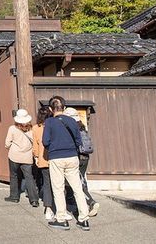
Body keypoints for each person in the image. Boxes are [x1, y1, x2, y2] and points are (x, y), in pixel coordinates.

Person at [43, 96, 90, 231]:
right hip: (72, 157)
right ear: (63, 107)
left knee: (58, 188)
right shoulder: (72, 121)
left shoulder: (50, 122)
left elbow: (45, 142)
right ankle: (84, 219)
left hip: (56, 157)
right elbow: (78, 140)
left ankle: (62, 219)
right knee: (77, 188)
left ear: (51, 109)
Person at [63, 107, 100, 217]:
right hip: (85, 157)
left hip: (77, 157)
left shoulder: (71, 127)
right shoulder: (82, 126)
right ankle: (73, 201)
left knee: (76, 182)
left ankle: (91, 202)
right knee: (81, 179)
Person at [4, 109, 40, 207]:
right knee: (29, 177)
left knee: (14, 175)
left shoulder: (12, 128)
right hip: (27, 157)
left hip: (14, 155)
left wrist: (10, 147)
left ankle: (14, 196)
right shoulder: (32, 129)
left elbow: (7, 143)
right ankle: (34, 200)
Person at [33, 106, 55, 220]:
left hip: (43, 159)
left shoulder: (36, 128)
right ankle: (60, 207)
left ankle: (48, 208)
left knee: (46, 184)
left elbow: (35, 146)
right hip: (56, 158)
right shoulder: (54, 125)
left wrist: (36, 157)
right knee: (58, 184)